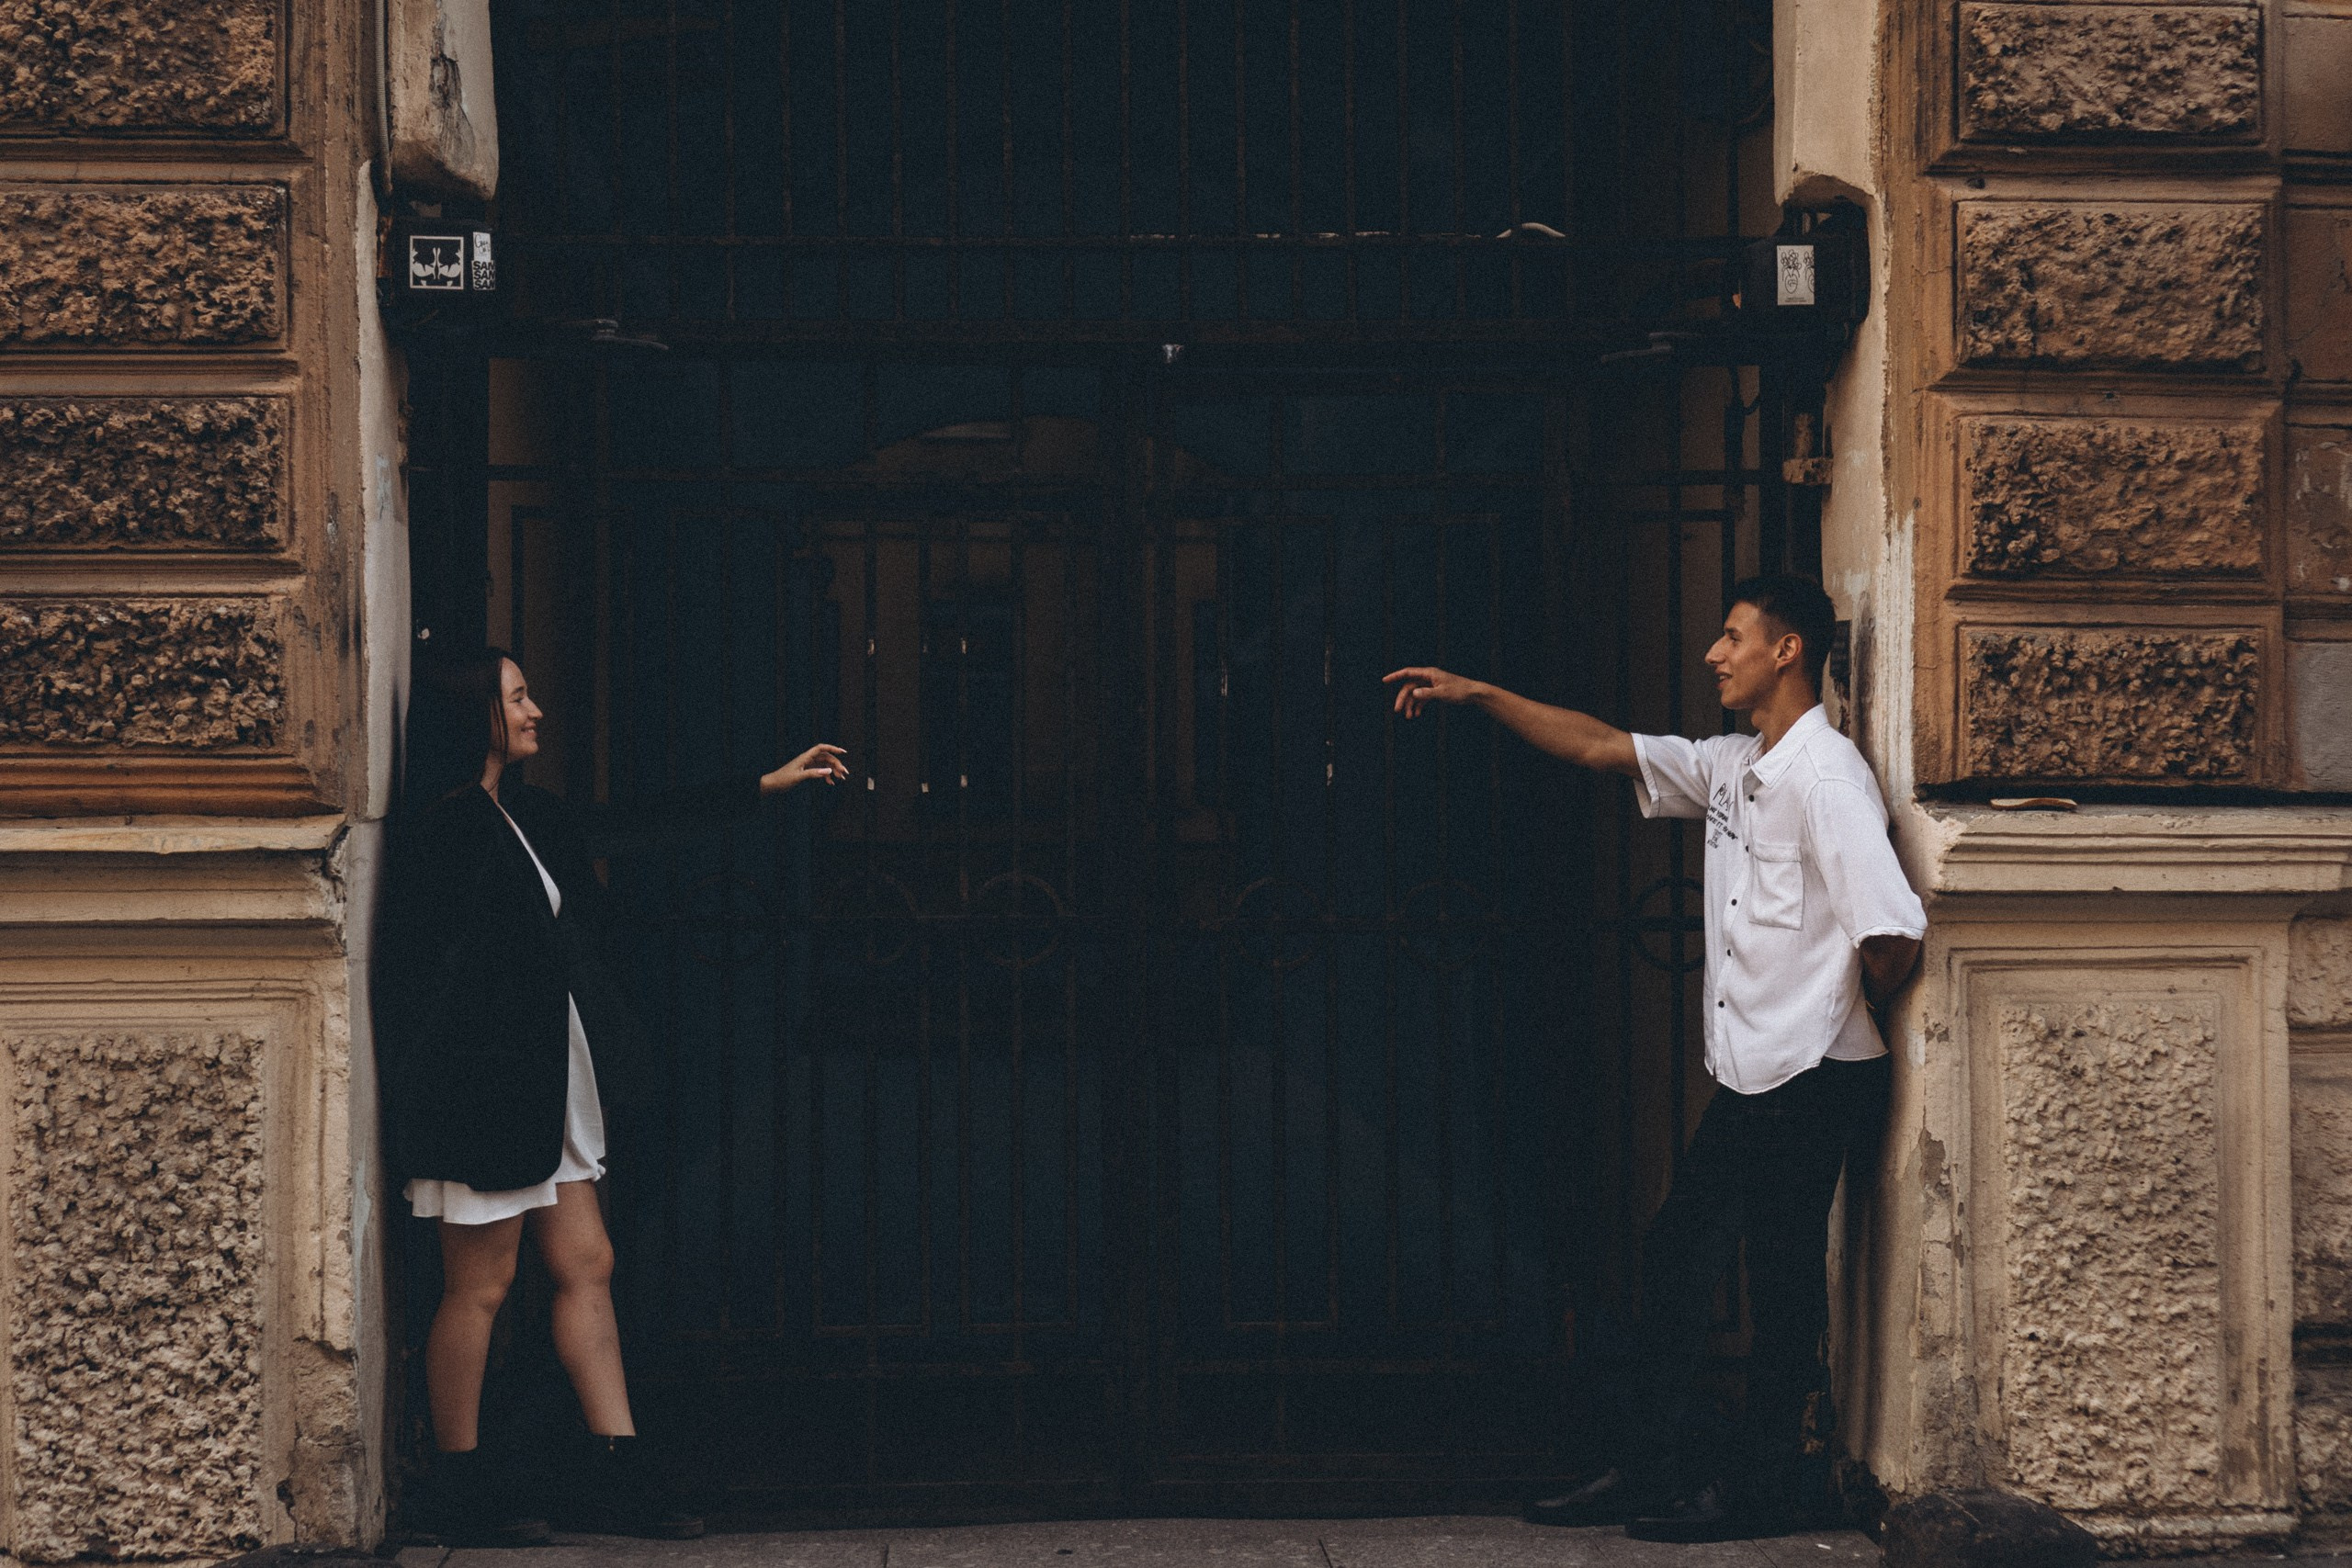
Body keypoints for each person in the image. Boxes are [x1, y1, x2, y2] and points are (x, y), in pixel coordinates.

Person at [1384, 573, 1924, 1543]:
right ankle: (1648, 1466)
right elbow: (1596, 744)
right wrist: (1479, 695)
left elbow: (1890, 929)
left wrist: (1823, 1006)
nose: (1714, 654)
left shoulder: (1825, 775)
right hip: (1754, 1069)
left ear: (1786, 651)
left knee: (1781, 1275)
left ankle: (1759, 1485)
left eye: (1732, 636)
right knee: (1677, 1258)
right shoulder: (1732, 764)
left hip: (1812, 1069)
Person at [376, 647, 848, 1546]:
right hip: (484, 1098)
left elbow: (628, 826)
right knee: (480, 1286)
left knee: (586, 1263)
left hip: (546, 1084)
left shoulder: (523, 815)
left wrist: (763, 785)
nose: (536, 710)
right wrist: (439, 1110)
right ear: (475, 714)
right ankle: (459, 1487)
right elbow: (417, 980)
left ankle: (617, 1469)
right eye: (518, 697)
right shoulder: (443, 828)